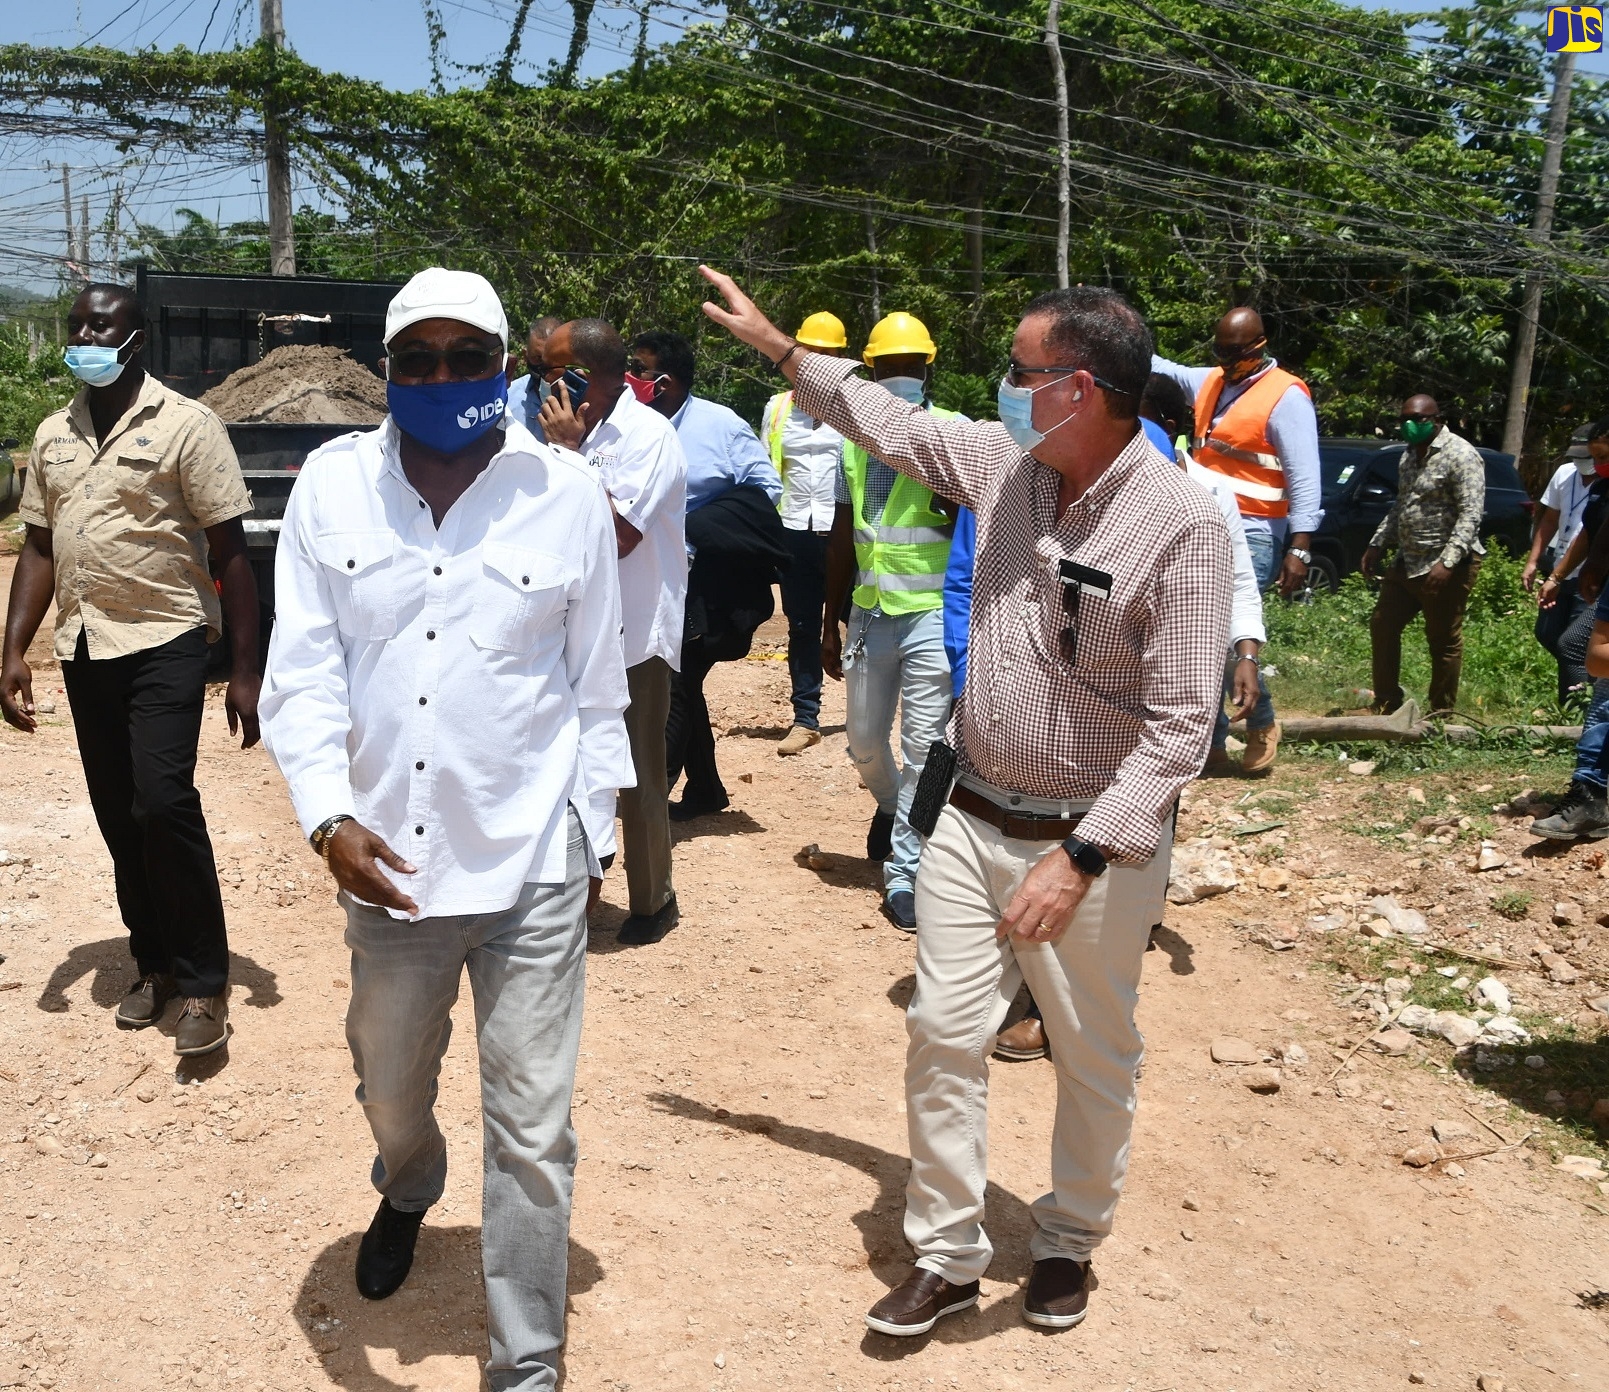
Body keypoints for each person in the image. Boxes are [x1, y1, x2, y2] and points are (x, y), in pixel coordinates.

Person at [700, 266, 1231, 1336]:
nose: (1002, 388)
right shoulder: (1003, 469)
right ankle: (946, 1250)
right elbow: (882, 418)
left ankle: (1069, 1238)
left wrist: (1078, 859)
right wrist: (780, 350)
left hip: (1094, 849)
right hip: (971, 814)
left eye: (1020, 371)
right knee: (943, 1031)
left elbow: (1182, 729)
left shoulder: (1183, 525)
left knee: (1091, 1047)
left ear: (1078, 388)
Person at [259, 269, 631, 1392]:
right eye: (414, 360)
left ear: (503, 364)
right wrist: (327, 816)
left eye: (464, 357)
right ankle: (409, 1181)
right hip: (392, 866)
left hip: (533, 857)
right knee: (389, 1080)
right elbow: (303, 677)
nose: (439, 378)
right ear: (386, 370)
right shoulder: (332, 487)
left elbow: (596, 686)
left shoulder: (562, 493)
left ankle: (526, 1359)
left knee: (532, 1124)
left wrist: (594, 833)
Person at [1, 281, 259, 1057]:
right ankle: (153, 963)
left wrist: (246, 669)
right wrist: (13, 648)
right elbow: (40, 548)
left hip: (167, 637)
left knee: (162, 799)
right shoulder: (52, 435)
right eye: (76, 324)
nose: (85, 335)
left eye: (100, 325)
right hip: (85, 645)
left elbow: (231, 552)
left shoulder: (188, 425)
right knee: (119, 813)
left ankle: (205, 981)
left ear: (134, 340)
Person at [537, 318, 688, 945]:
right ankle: (572, 888)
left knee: (639, 775)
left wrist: (570, 460)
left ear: (587, 374)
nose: (546, 385)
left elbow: (619, 538)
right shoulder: (563, 436)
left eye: (555, 371)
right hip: (570, 632)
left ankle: (653, 899)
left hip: (633, 635)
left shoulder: (647, 436)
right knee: (567, 767)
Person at [823, 311, 964, 932]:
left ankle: (906, 871)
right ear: (871, 371)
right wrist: (830, 619)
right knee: (862, 740)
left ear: (928, 368)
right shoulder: (853, 440)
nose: (898, 377)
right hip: (871, 612)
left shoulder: (954, 435)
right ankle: (892, 806)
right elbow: (840, 531)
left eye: (908, 367)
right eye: (888, 368)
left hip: (934, 615)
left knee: (927, 751)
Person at [1151, 308, 1321, 775]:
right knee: (1196, 634)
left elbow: (1306, 479)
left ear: (1260, 346)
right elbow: (1157, 366)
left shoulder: (1286, 396)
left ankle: (1261, 721)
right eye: (1220, 352)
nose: (1227, 361)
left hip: (1255, 529)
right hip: (1200, 513)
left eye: (1236, 353)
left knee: (1224, 634)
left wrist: (1300, 548)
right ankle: (1212, 742)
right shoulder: (1211, 381)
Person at [626, 329, 786, 819]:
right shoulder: (627, 425)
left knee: (676, 680)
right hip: (648, 576)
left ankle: (656, 789)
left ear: (666, 381)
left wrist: (698, 527)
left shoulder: (721, 426)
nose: (630, 377)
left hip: (707, 581)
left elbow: (766, 489)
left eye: (640, 369)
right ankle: (707, 789)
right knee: (682, 681)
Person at [1361, 394, 1485, 717]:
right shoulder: (1408, 456)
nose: (1410, 425)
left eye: (1418, 419)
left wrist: (1448, 562)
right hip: (1408, 560)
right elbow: (1401, 505)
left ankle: (1440, 715)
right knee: (1383, 624)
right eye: (1404, 419)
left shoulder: (1461, 455)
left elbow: (1470, 516)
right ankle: (1387, 702)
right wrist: (1377, 543)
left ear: (1437, 420)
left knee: (1442, 640)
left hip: (1445, 564)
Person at [761, 312, 850, 756]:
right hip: (794, 529)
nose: (816, 361)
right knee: (801, 625)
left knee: (862, 620)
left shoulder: (857, 408)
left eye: (826, 354)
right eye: (809, 352)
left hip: (847, 533)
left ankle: (869, 713)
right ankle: (806, 717)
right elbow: (765, 470)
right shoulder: (777, 408)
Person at [1532, 418, 1609, 840]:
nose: (1598, 466)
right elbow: (1587, 537)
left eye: (1604, 458)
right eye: (1594, 458)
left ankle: (1592, 793)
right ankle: (1592, 793)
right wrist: (1559, 575)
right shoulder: (1600, 491)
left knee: (1583, 651)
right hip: (1600, 588)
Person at [504, 315, 563, 434]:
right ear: (525, 356)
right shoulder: (507, 398)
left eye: (554, 359)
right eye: (538, 358)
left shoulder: (584, 401)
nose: (546, 366)